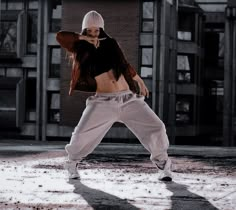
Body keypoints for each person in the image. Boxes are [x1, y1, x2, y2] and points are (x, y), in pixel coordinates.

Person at [56, 10, 172, 181]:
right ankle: (72, 163)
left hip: (128, 99)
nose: (94, 33)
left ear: (102, 29)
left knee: (156, 127)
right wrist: (84, 39)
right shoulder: (79, 47)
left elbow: (123, 64)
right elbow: (61, 36)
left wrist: (138, 79)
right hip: (103, 101)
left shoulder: (110, 43)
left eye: (97, 30)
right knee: (81, 134)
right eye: (90, 30)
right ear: (84, 30)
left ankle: (163, 165)